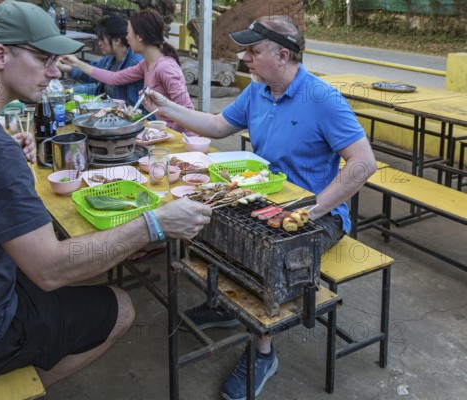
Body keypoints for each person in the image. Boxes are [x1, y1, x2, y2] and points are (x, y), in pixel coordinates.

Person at [0, 1, 211, 387]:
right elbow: (50, 270)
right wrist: (155, 224)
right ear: (0, 55)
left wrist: (2, 154)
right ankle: (15, 386)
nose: (54, 73)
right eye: (43, 60)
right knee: (119, 306)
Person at [143, 16, 377, 400]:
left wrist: (311, 211)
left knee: (268, 253)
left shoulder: (323, 99)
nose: (244, 57)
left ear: (282, 54)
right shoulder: (258, 91)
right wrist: (167, 105)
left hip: (318, 214)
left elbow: (363, 163)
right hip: (264, 197)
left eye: (253, 51)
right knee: (203, 218)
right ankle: (223, 304)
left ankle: (263, 351)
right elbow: (218, 126)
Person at [61, 8, 196, 134]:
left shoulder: (165, 67)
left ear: (140, 37)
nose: (126, 37)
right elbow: (114, 78)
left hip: (179, 139)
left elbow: (187, 111)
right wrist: (77, 63)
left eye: (128, 32)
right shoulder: (145, 64)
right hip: (161, 133)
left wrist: (171, 133)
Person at [58, 15, 144, 107]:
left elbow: (134, 107)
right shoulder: (110, 59)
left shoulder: (134, 63)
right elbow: (92, 74)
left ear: (116, 41)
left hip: (121, 115)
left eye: (102, 39)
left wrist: (76, 63)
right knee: (63, 92)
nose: (99, 43)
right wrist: (66, 68)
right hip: (107, 108)